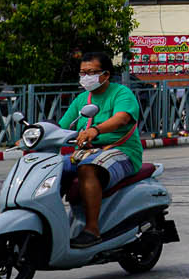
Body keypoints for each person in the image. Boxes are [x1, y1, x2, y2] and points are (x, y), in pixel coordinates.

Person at [59, 53, 143, 248]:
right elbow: (62, 126)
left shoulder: (121, 93)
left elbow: (122, 118)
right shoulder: (82, 99)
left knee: (88, 168)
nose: (85, 77)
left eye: (91, 73)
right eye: (82, 73)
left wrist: (95, 130)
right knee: (50, 169)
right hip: (85, 152)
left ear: (106, 74)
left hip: (121, 151)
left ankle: (92, 230)